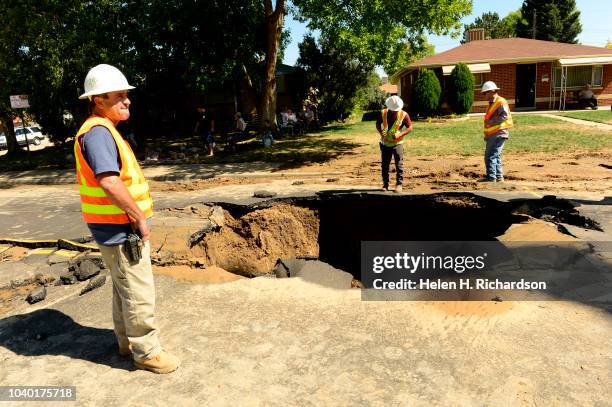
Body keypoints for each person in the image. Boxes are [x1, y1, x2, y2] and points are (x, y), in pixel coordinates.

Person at [75, 64, 180, 374]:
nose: (127, 101)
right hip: (121, 228)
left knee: (123, 287)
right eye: (119, 96)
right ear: (98, 100)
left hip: (113, 228)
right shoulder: (98, 133)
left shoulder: (102, 130)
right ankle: (146, 352)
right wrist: (138, 217)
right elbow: (109, 182)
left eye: (126, 96)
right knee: (137, 289)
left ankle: (125, 343)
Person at [375, 95, 413, 193]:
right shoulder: (383, 113)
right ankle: (385, 185)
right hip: (385, 144)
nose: (394, 111)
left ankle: (399, 185)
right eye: (392, 110)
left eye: (395, 110)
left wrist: (400, 134)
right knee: (385, 165)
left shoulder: (404, 115)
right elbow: (377, 124)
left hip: (398, 143)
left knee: (399, 164)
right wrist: (381, 131)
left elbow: (410, 127)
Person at [481, 81, 513, 182]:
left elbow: (504, 116)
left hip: (499, 133)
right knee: (496, 155)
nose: (484, 95)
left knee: (490, 156)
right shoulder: (491, 104)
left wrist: (490, 122)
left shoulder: (500, 102)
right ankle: (499, 177)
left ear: (491, 92)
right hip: (493, 134)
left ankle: (491, 178)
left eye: (485, 93)